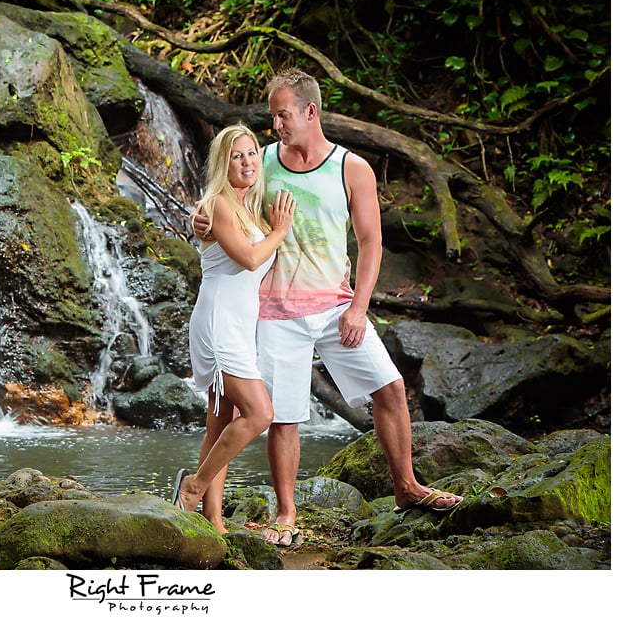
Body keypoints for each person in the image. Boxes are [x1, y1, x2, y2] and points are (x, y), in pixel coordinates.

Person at [191, 69, 462, 547]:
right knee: (285, 416)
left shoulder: (351, 168)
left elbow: (371, 241)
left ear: (310, 112)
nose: (274, 124)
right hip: (274, 311)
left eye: (282, 114)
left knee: (392, 388)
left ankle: (407, 487)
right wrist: (200, 217)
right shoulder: (262, 161)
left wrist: (359, 307)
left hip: (338, 306)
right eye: (272, 115)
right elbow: (226, 196)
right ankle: (285, 515)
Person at [170, 123, 294, 533]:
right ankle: (193, 487)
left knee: (222, 420)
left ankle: (213, 521)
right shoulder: (219, 204)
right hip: (219, 321)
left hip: (240, 324)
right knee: (260, 413)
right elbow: (250, 259)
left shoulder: (250, 207)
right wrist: (279, 231)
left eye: (252, 153)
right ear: (224, 163)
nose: (247, 162)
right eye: (237, 155)